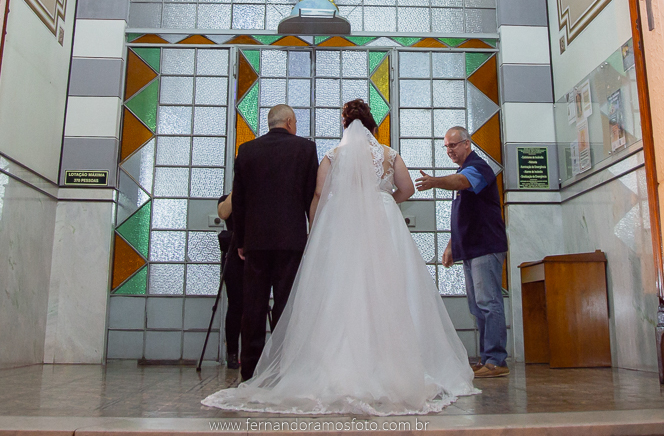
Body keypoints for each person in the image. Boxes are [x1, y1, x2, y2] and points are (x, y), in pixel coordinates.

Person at [203, 100, 479, 415]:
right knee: (387, 293)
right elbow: (407, 189)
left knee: (340, 295)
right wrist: (385, 199)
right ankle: (392, 364)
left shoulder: (330, 156)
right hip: (379, 226)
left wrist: (315, 230)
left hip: (332, 227)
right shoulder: (389, 154)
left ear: (344, 127)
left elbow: (318, 194)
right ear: (372, 127)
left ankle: (286, 367)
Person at [227, 104, 319, 381]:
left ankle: (250, 369)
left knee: (252, 305)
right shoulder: (305, 149)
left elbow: (239, 200)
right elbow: (310, 195)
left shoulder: (247, 150)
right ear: (290, 122)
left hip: (255, 241)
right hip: (290, 239)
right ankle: (283, 367)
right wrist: (312, 233)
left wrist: (241, 240)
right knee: (285, 304)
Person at [417, 127, 510, 378]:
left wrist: (435, 181)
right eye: (446, 146)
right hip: (470, 248)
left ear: (467, 144)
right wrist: (451, 245)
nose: (449, 150)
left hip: (486, 246)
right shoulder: (463, 170)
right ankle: (487, 358)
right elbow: (465, 215)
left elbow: (462, 182)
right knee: (477, 306)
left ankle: (497, 360)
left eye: (454, 145)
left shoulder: (478, 167)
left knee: (489, 303)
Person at [216, 193, 243, 369]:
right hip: (233, 257)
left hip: (255, 253)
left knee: (255, 305)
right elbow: (223, 213)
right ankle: (232, 353)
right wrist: (237, 189)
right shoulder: (227, 198)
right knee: (235, 304)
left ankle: (253, 352)